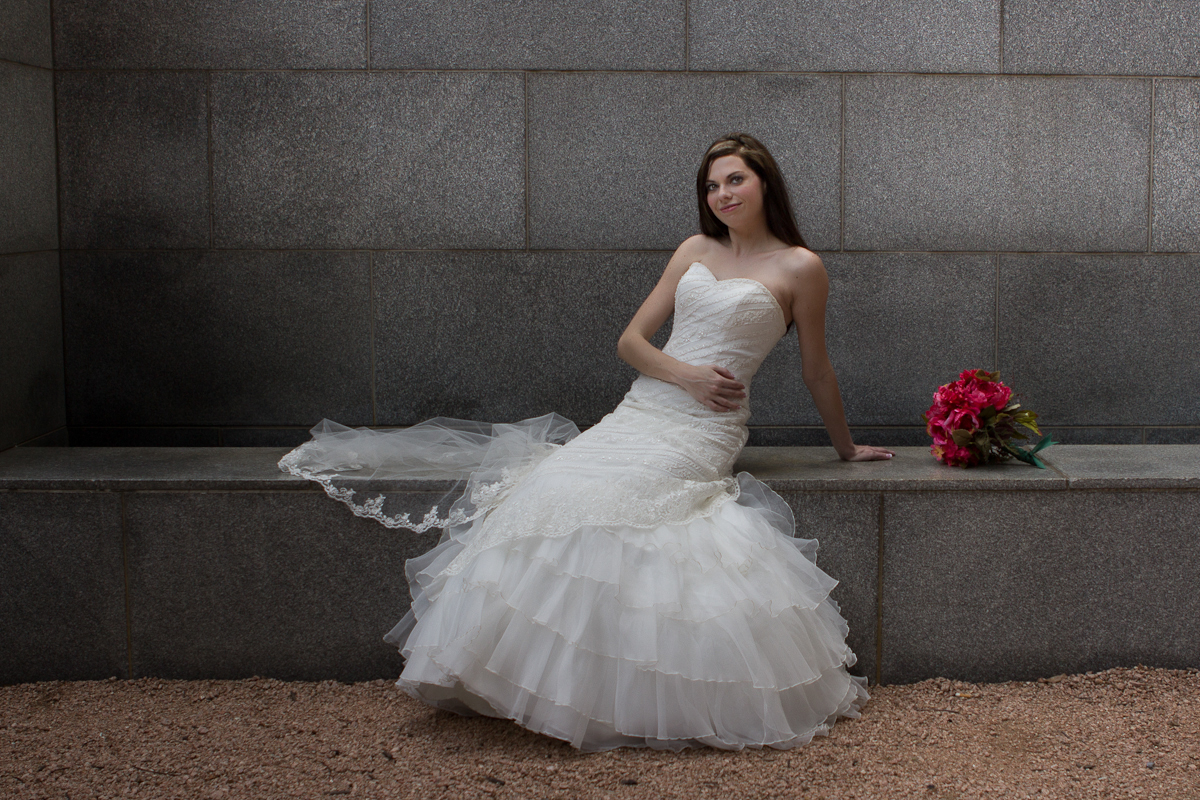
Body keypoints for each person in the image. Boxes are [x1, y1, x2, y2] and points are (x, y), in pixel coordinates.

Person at [280, 133, 893, 752]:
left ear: (764, 182)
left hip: (704, 429)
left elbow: (817, 368)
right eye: (712, 185)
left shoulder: (799, 267)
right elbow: (631, 342)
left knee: (625, 505)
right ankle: (508, 673)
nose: (723, 194)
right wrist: (685, 374)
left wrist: (846, 448)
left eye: (735, 180)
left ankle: (615, 691)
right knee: (554, 485)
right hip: (644, 408)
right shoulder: (694, 249)